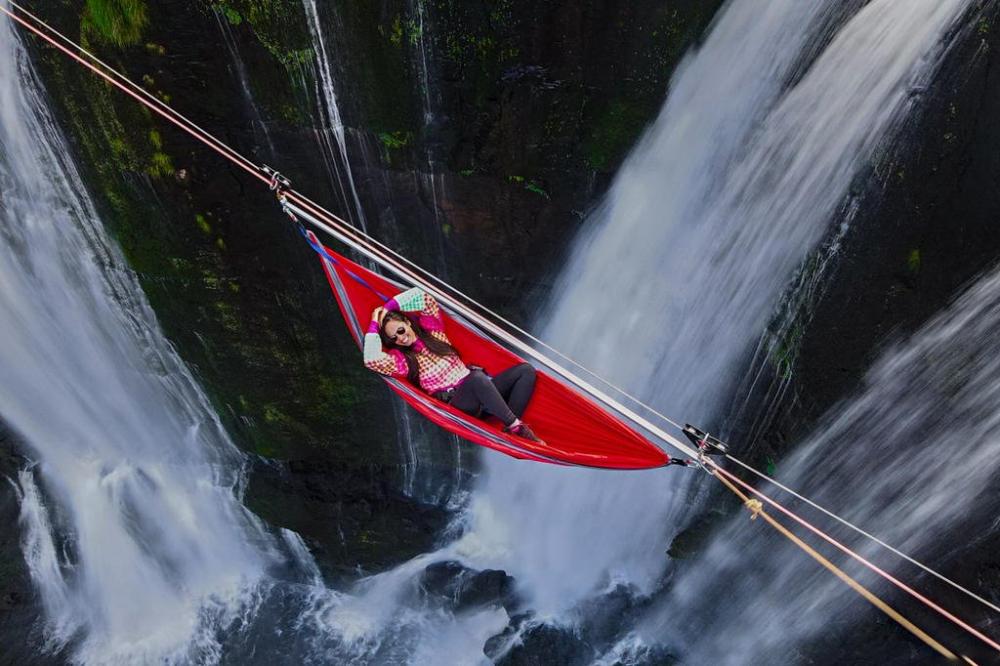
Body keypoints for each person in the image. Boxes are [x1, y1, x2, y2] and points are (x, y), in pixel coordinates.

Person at [364, 286, 543, 443]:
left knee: (526, 371)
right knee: (476, 378)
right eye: (394, 338)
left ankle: (512, 428)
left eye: (400, 330)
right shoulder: (403, 360)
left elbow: (424, 297)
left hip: (486, 394)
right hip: (461, 405)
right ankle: (517, 428)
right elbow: (371, 360)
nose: (401, 338)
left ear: (408, 322)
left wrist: (388, 307)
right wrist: (373, 322)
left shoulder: (434, 333)